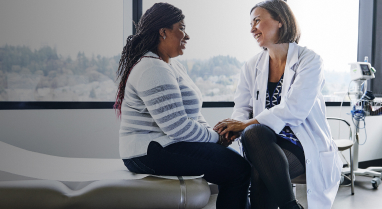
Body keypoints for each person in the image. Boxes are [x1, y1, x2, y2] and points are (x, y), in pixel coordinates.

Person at [114, 3, 251, 209]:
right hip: (147, 152)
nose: (187, 36)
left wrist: (213, 135)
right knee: (237, 168)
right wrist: (215, 138)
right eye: (181, 28)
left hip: (165, 144)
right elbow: (177, 127)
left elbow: (192, 115)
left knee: (236, 164)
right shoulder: (152, 68)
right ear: (163, 32)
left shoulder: (172, 65)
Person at [213, 1, 342, 209]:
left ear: (280, 21)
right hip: (263, 142)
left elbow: (296, 109)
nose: (252, 28)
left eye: (257, 20)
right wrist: (232, 127)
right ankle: (292, 206)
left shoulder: (309, 60)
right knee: (254, 134)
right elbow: (242, 108)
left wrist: (245, 125)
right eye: (250, 23)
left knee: (260, 170)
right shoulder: (251, 65)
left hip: (301, 142)